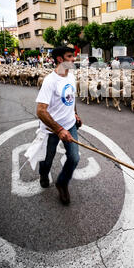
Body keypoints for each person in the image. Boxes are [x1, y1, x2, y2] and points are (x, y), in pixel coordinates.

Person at [36, 46, 82, 205]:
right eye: (70, 56)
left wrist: (75, 114)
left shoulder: (71, 77)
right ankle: (43, 174)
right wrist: (58, 129)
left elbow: (71, 98)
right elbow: (41, 111)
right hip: (51, 129)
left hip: (69, 125)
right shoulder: (50, 81)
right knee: (47, 159)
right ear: (60, 59)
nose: (73, 59)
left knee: (74, 158)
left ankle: (62, 183)